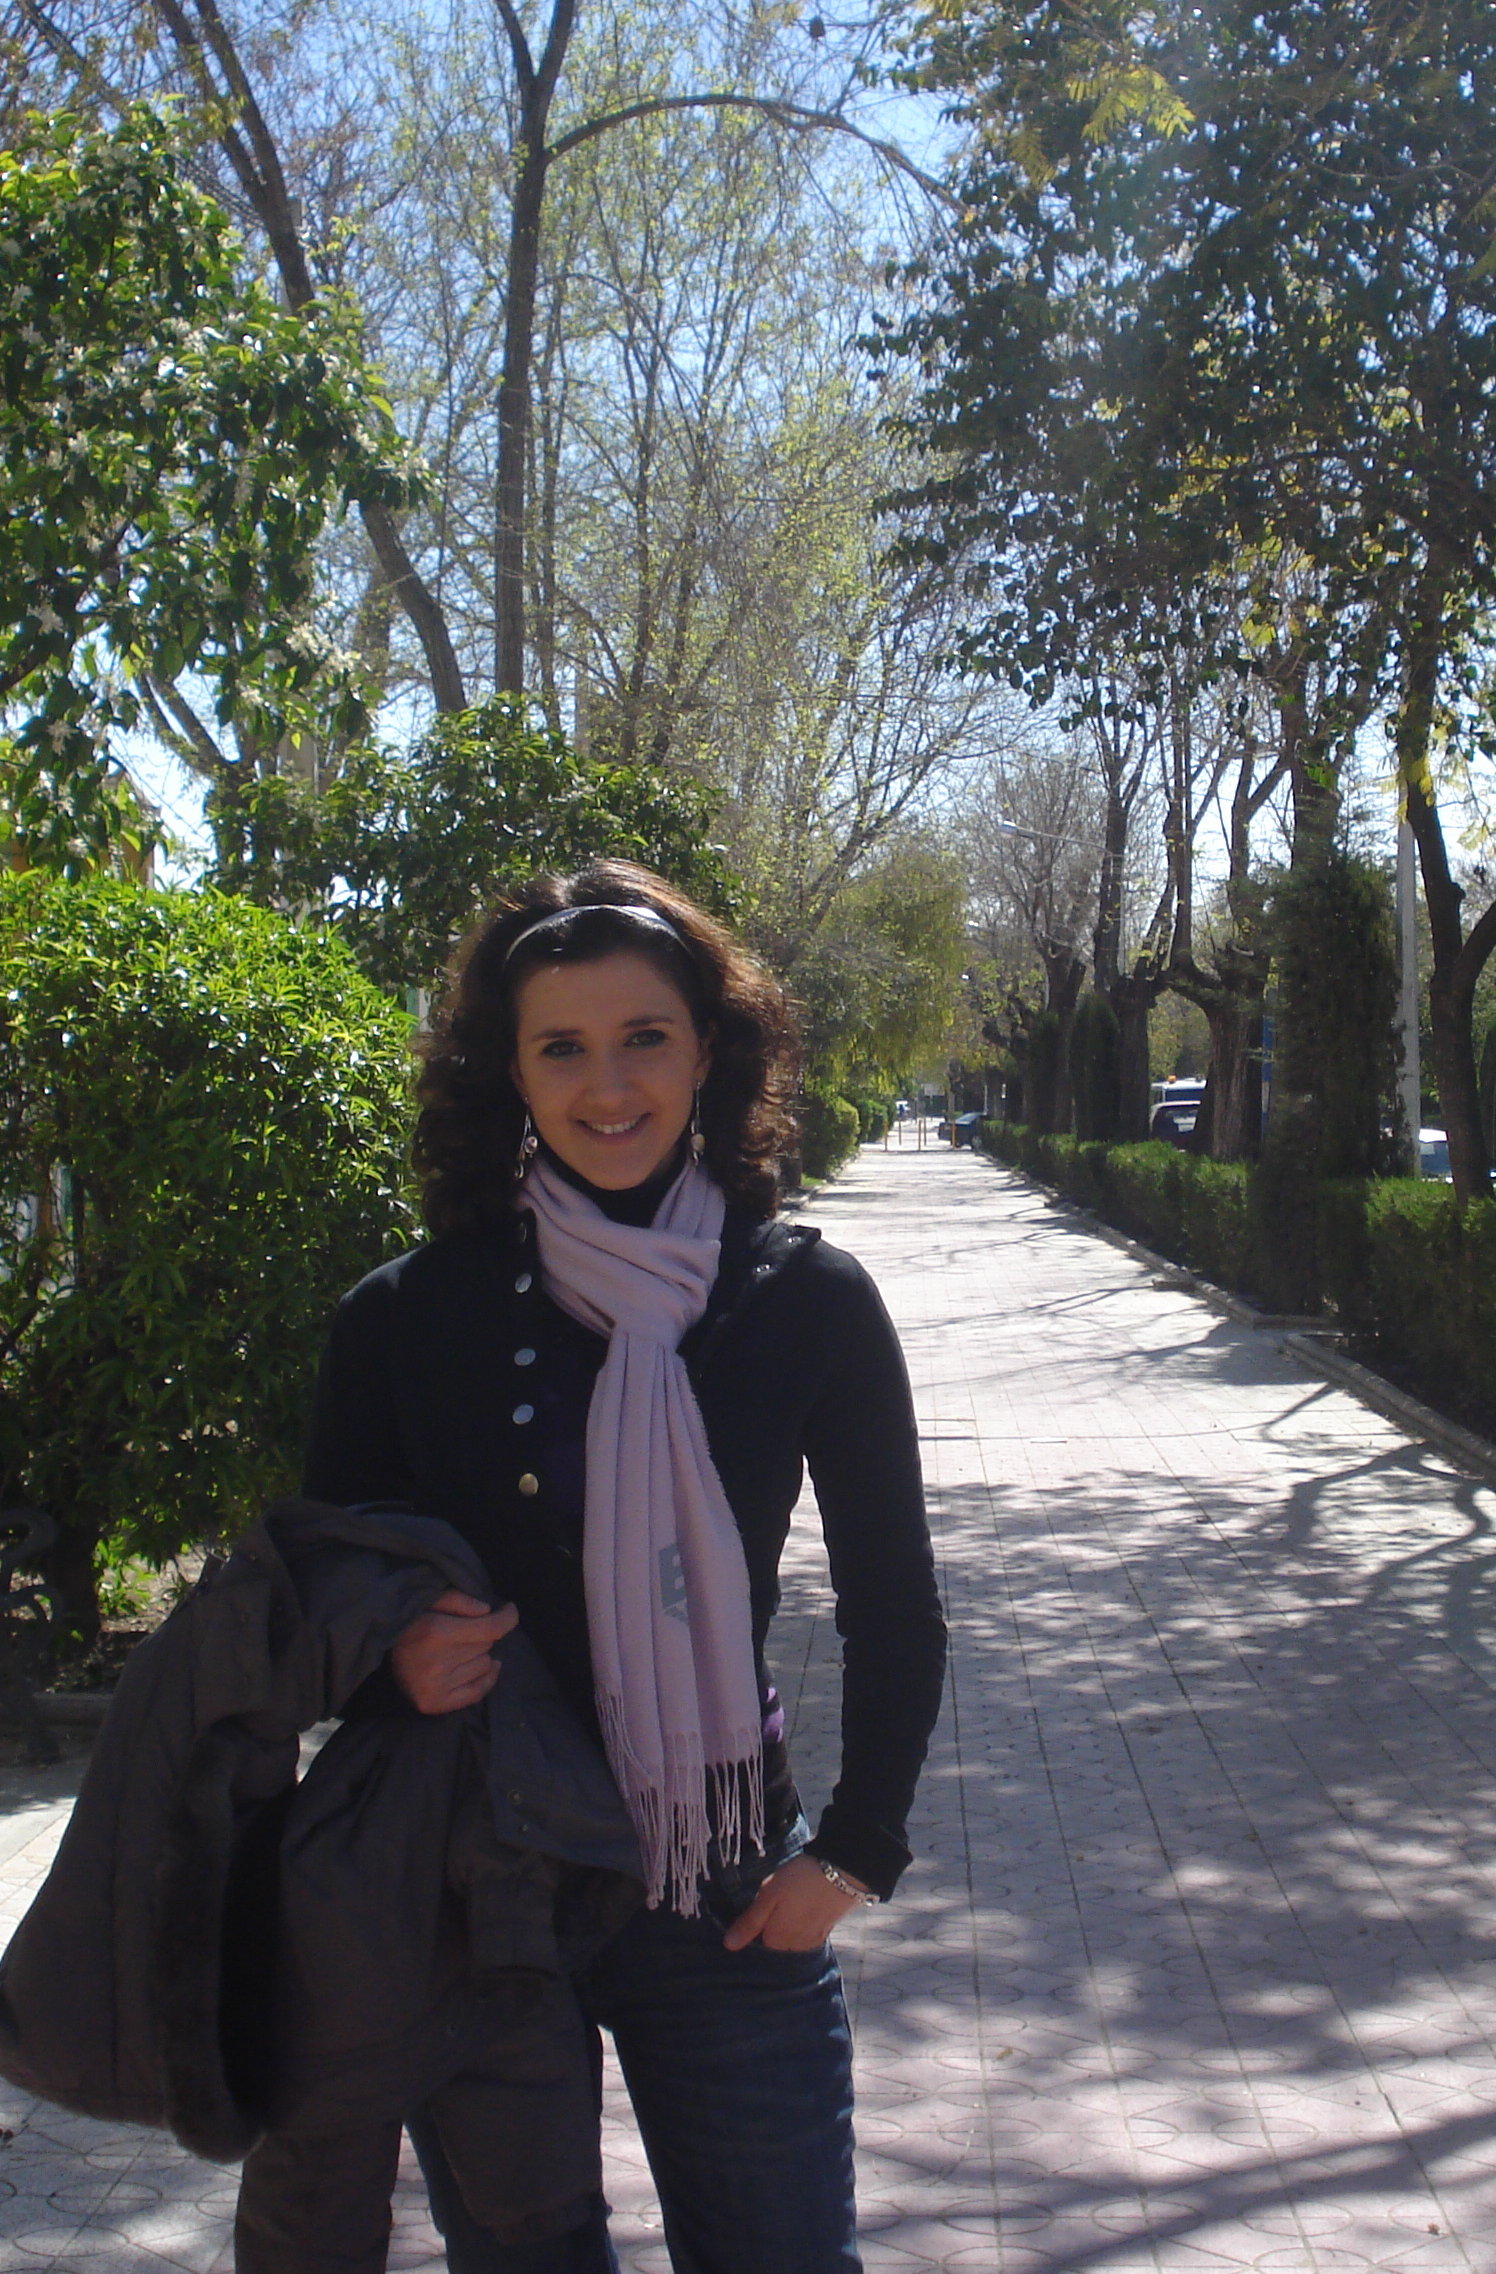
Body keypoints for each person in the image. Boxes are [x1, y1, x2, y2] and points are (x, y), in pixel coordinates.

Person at [278, 859, 947, 2273]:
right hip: (483, 1890)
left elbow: (895, 1604)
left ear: (708, 1049)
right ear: (510, 1074)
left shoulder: (805, 1299)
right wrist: (391, 1660)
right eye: (561, 1048)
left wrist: (854, 1853)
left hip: (722, 1884)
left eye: (644, 1037)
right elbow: (318, 1598)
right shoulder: (403, 1319)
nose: (609, 1086)